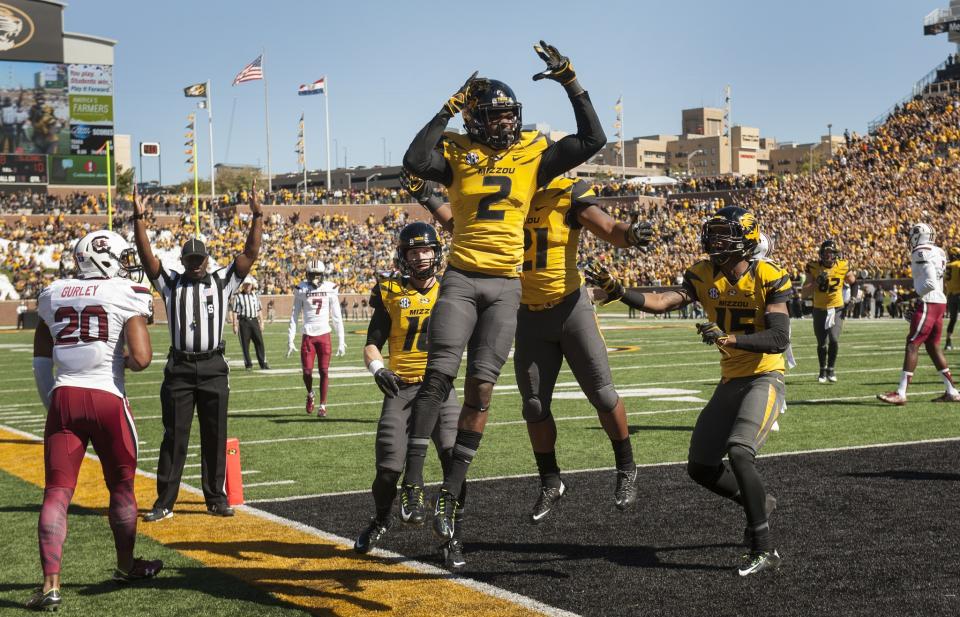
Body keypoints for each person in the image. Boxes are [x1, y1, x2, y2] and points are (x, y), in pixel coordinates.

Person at [401, 40, 605, 540]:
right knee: (440, 375)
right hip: (464, 276)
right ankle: (412, 479)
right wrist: (448, 105)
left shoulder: (532, 153)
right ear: (473, 120)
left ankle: (450, 493)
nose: (504, 123)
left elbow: (592, 138)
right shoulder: (457, 150)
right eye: (493, 116)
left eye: (508, 115)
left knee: (482, 390)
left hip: (506, 286)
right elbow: (413, 157)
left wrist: (570, 81)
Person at [587, 206, 790, 576]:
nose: (714, 241)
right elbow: (663, 302)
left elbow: (778, 338)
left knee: (740, 452)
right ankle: (759, 501)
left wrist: (729, 338)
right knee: (700, 467)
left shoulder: (768, 274)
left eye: (723, 234)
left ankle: (764, 547)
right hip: (731, 380)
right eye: (712, 234)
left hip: (764, 377)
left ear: (744, 240)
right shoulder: (702, 273)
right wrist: (620, 292)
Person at [29, 230, 162, 611]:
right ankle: (125, 565)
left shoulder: (53, 293)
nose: (125, 266)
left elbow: (41, 359)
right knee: (121, 487)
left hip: (64, 399)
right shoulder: (124, 293)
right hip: (106, 397)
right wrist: (112, 358)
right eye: (121, 259)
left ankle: (50, 585)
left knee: (57, 491)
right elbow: (141, 358)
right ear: (104, 260)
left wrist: (52, 403)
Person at [515, 177, 653, 522]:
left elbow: (607, 227)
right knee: (533, 405)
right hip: (528, 315)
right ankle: (550, 480)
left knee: (603, 395)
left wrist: (630, 235)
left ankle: (626, 468)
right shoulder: (507, 193)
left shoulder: (566, 191)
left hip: (569, 308)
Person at [132, 187, 263, 522]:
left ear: (208, 258)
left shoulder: (223, 281)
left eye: (200, 259)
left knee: (214, 433)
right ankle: (165, 501)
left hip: (213, 365)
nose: (195, 264)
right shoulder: (171, 283)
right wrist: (138, 219)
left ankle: (215, 497)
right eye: (189, 260)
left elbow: (250, 253)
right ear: (183, 261)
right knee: (174, 435)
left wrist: (258, 216)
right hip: (179, 366)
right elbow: (148, 259)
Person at [354, 222, 467, 569]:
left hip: (441, 386)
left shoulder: (452, 289)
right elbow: (373, 342)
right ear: (404, 256)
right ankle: (382, 518)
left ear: (437, 253)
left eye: (427, 250)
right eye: (414, 251)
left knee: (452, 458)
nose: (421, 257)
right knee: (388, 469)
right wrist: (378, 369)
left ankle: (453, 536)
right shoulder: (390, 291)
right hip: (401, 387)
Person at [877, 224, 960, 405]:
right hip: (939, 301)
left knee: (912, 344)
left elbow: (929, 282)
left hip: (930, 300)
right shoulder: (938, 251)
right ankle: (952, 391)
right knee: (932, 346)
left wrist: (908, 296)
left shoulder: (920, 251)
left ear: (918, 235)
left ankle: (901, 392)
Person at [287, 260, 346, 417]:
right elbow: (294, 315)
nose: (314, 278)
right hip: (308, 335)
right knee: (307, 372)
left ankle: (323, 405)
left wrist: (341, 339)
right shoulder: (301, 289)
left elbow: (336, 316)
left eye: (317, 274)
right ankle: (311, 393)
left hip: (324, 334)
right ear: (307, 274)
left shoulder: (330, 288)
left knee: (324, 371)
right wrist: (290, 338)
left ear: (322, 275)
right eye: (312, 274)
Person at [802, 240, 856, 383]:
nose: (828, 256)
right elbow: (804, 293)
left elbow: (854, 282)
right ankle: (822, 370)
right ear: (821, 254)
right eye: (825, 253)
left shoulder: (843, 265)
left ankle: (831, 369)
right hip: (819, 309)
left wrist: (853, 298)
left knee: (834, 339)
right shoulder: (813, 267)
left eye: (830, 253)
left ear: (835, 254)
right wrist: (816, 282)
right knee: (821, 342)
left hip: (836, 308)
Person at [231, 276, 269, 370]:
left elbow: (259, 310)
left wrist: (262, 322)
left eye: (249, 284)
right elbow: (235, 312)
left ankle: (263, 363)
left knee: (259, 342)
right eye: (246, 284)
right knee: (245, 344)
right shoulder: (239, 296)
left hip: (254, 321)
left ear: (252, 285)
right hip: (244, 322)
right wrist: (235, 325)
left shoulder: (255, 296)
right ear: (243, 286)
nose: (247, 286)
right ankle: (248, 364)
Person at [942, 246, 960, 350]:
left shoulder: (947, 266)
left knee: (953, 319)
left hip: (950, 295)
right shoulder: (958, 265)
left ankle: (948, 342)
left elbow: (945, 283)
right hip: (958, 294)